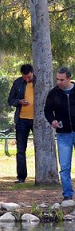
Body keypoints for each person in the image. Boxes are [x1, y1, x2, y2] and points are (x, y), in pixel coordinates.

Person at [44, 66, 75, 201]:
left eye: (62, 80)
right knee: (65, 166)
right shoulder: (53, 93)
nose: (59, 82)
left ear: (69, 78)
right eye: (57, 79)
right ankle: (67, 195)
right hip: (63, 134)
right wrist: (53, 121)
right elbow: (47, 111)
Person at [8, 64, 36, 183]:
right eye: (24, 77)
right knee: (20, 150)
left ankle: (42, 175)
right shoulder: (18, 83)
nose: (26, 79)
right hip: (22, 120)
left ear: (32, 73)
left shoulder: (40, 82)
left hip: (37, 120)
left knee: (40, 148)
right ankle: (21, 177)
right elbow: (10, 100)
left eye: (28, 77)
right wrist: (19, 101)